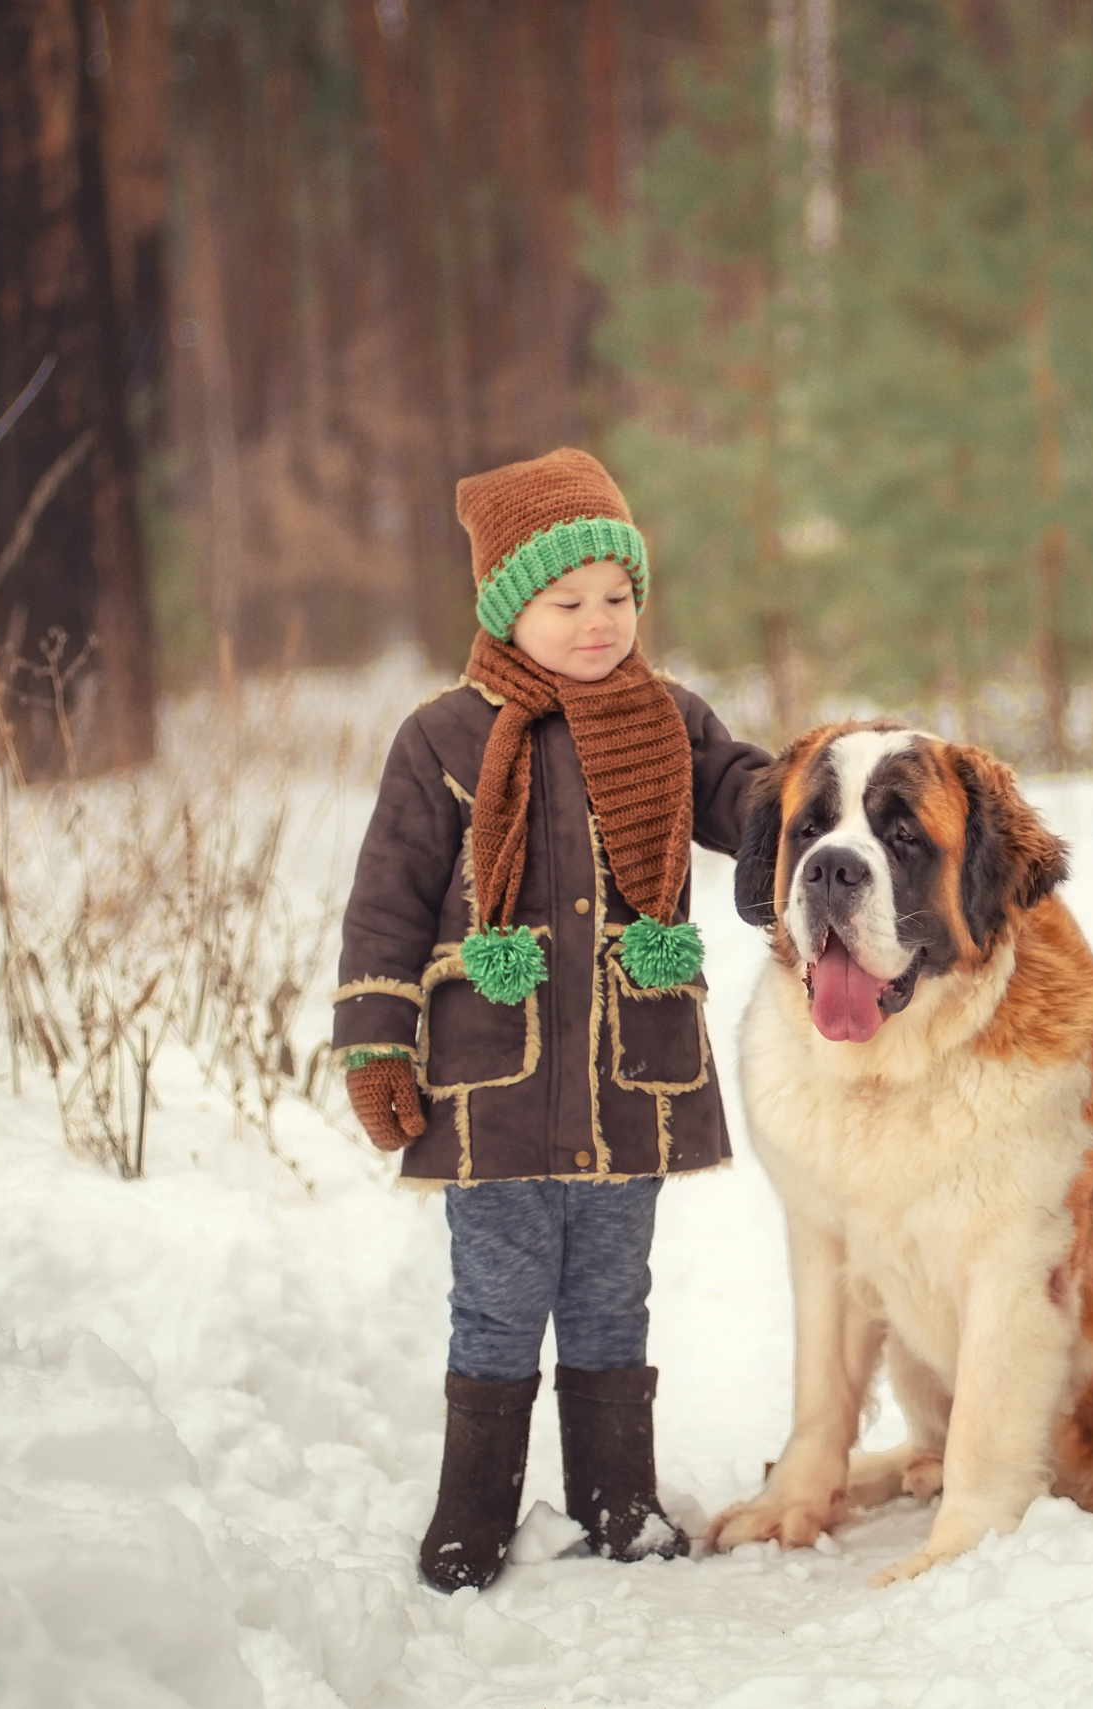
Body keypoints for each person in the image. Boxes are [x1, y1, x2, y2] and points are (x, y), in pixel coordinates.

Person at [332, 448, 769, 1591]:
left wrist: (822, 794)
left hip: (631, 1075)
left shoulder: (670, 719)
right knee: (498, 1296)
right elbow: (385, 901)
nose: (598, 622)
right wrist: (376, 1039)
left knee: (611, 1290)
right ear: (503, 608)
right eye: (567, 601)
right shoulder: (442, 736)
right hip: (495, 1081)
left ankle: (616, 1498)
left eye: (618, 597)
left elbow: (752, 801)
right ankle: (469, 1514)